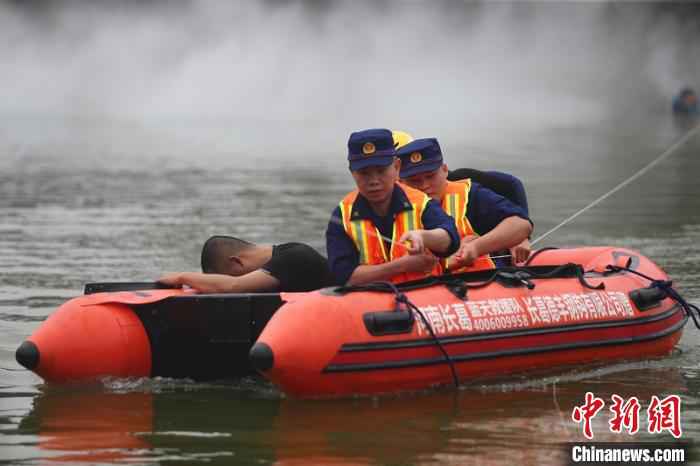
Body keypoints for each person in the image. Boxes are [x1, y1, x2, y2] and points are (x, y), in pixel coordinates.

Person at [326, 128, 461, 285]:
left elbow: (450, 238)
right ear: (352, 172)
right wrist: (402, 265)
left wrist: (423, 237)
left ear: (397, 167)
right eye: (364, 173)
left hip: (424, 299)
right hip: (368, 302)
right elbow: (344, 277)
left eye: (381, 171)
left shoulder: (420, 202)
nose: (374, 181)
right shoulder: (342, 215)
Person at [397, 137, 532, 272]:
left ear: (444, 170)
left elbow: (521, 225)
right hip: (416, 289)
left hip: (479, 285)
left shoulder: (469, 195)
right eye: (415, 181)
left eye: (430, 176)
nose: (425, 186)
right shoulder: (388, 205)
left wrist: (476, 247)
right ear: (401, 182)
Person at [158, 235, 336, 293]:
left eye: (224, 276)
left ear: (236, 262)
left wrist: (183, 277)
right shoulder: (283, 258)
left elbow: (234, 286)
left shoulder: (292, 258)